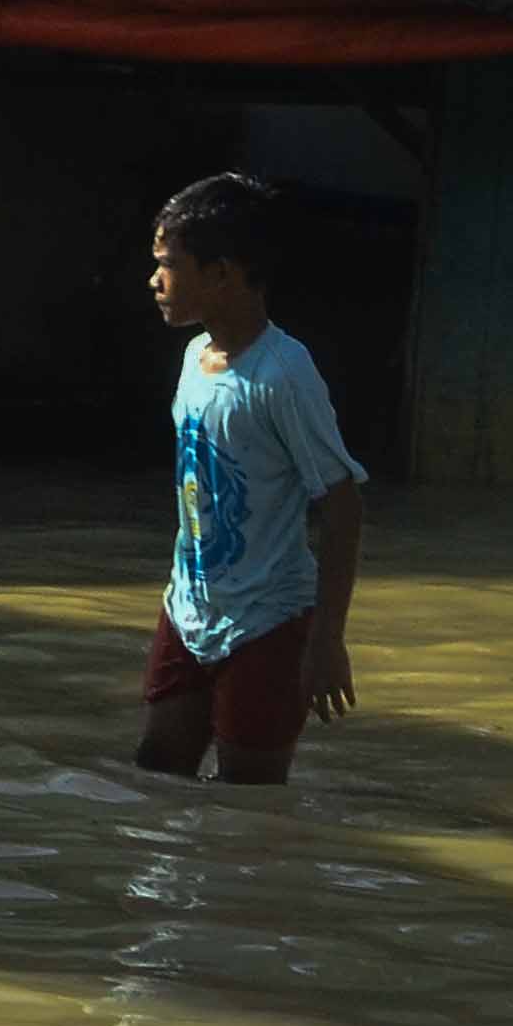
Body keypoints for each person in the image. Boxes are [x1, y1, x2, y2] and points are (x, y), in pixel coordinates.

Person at [139, 172, 366, 788]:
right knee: (156, 777)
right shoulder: (194, 358)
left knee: (249, 808)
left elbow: (341, 506)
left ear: (222, 275)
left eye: (169, 264)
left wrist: (326, 641)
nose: (155, 280)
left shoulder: (284, 375)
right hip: (188, 610)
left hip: (268, 622)